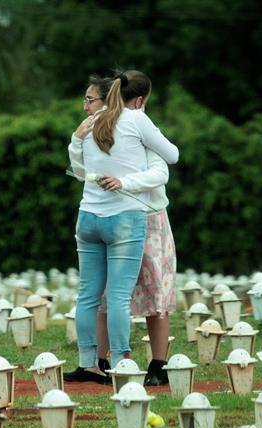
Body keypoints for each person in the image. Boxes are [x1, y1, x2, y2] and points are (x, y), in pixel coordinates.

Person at [63, 71, 178, 382]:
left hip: (88, 215)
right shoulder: (137, 121)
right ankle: (122, 363)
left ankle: (89, 362)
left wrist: (76, 139)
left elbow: (79, 170)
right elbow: (171, 158)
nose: (86, 105)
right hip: (129, 217)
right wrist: (126, 179)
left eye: (89, 99)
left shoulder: (92, 125)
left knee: (89, 295)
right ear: (139, 100)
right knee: (119, 297)